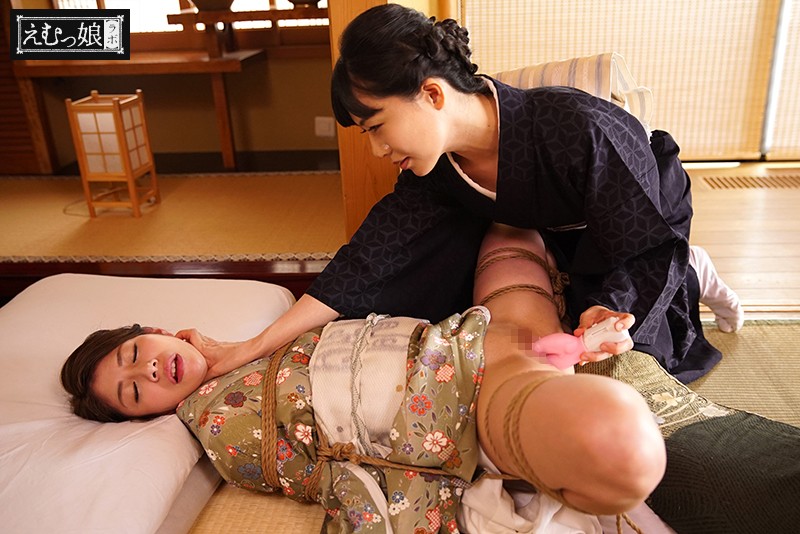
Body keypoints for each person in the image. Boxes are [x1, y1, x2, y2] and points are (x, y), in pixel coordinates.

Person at [178, 4, 741, 385]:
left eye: (377, 126)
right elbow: (369, 259)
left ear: (431, 94)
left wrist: (614, 308)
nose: (377, 149)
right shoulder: (437, 170)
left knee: (635, 360)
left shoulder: (579, 126)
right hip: (561, 230)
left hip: (639, 215)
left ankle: (694, 268)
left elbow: (638, 245)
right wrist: (251, 347)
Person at [62, 223, 667, 533]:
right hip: (447, 412)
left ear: (160, 330)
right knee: (611, 445)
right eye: (134, 390)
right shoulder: (218, 428)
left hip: (468, 338)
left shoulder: (248, 337)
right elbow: (321, 471)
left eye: (136, 352)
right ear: (145, 416)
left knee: (510, 227)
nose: (147, 369)